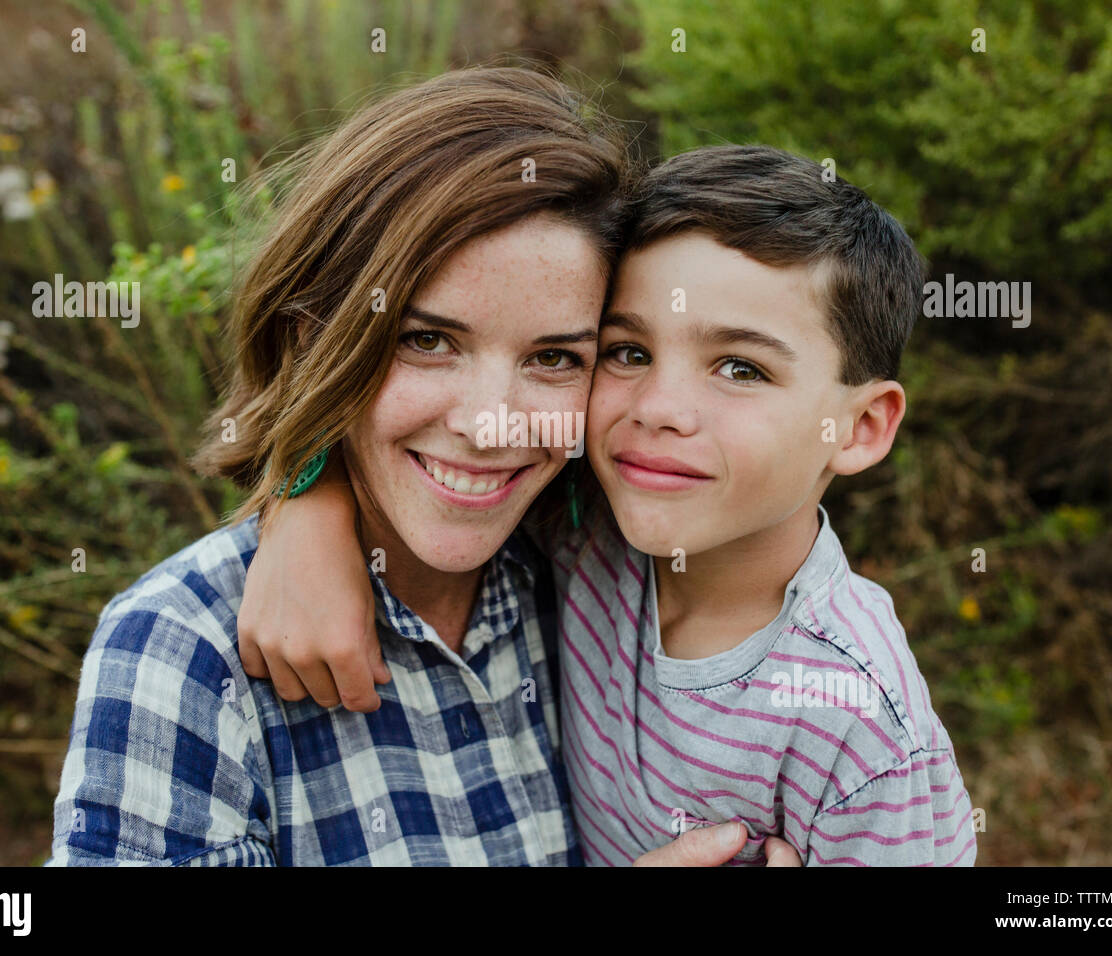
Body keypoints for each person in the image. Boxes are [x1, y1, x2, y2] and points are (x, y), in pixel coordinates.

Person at [47, 67, 798, 867]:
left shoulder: (607, 580)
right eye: (427, 341)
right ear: (316, 340)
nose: (488, 424)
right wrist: (304, 488)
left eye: (553, 357)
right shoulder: (183, 650)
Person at [239, 144, 977, 865]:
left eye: (740, 367)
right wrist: (307, 504)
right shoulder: (587, 520)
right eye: (628, 353)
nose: (659, 409)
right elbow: (400, 425)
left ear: (862, 426)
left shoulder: (858, 726)